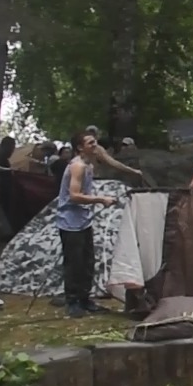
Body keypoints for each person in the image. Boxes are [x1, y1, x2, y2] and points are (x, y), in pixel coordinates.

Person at [56, 132, 118, 319]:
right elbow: (74, 195)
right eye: (90, 143)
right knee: (74, 263)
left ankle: (85, 298)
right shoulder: (78, 166)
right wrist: (100, 199)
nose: (95, 144)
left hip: (84, 221)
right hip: (70, 222)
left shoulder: (89, 165)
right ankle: (72, 301)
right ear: (80, 147)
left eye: (95, 141)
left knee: (87, 262)